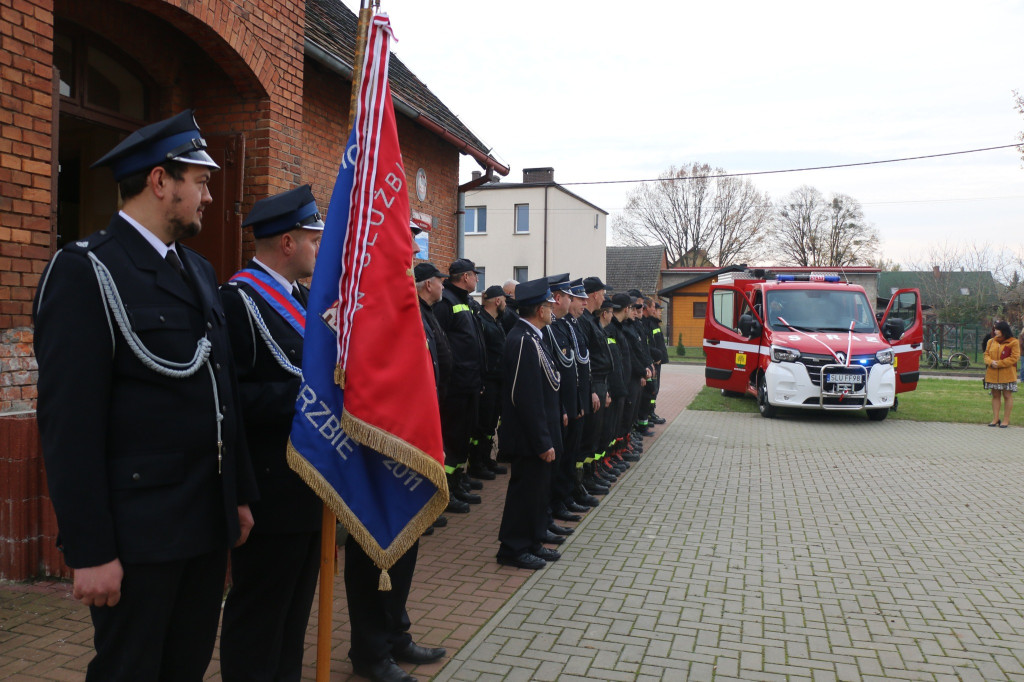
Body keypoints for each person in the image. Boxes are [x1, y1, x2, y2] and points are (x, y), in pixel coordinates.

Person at [32, 110, 258, 680]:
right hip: (139, 536)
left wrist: (238, 495)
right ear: (161, 181)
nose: (209, 196)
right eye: (201, 182)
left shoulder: (200, 271)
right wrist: (89, 550)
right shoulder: (87, 270)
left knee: (183, 668)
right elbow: (69, 425)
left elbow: (221, 393)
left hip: (203, 525)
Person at [219, 185, 325, 682]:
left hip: (308, 484)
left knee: (294, 614)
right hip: (267, 488)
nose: (318, 249)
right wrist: (304, 400)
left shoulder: (303, 299)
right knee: (259, 615)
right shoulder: (236, 302)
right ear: (287, 242)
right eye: (313, 238)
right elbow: (229, 400)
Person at [496, 278, 564, 570]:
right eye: (548, 305)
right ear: (539, 309)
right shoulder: (523, 340)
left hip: (538, 433)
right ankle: (513, 548)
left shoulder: (533, 336)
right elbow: (527, 398)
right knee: (524, 493)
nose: (551, 309)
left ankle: (532, 541)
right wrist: (542, 441)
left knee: (537, 493)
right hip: (528, 438)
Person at [432, 258, 487, 512]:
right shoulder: (446, 303)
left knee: (463, 436)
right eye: (475, 275)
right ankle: (446, 490)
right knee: (452, 439)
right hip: (455, 386)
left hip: (470, 383)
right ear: (465, 277)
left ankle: (457, 481)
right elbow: (440, 344)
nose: (477, 279)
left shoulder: (465, 302)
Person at [469, 285, 509, 480]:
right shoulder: (481, 321)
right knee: (482, 425)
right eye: (505, 300)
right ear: (497, 301)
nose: (507, 305)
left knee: (491, 424)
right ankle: (476, 463)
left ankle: (486, 459)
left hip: (498, 381)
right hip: (487, 381)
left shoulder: (496, 321)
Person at [984, 320, 1020, 428]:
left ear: (1003, 330)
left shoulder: (1013, 342)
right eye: (994, 329)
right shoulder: (991, 341)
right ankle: (995, 419)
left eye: (997, 329)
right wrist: (990, 362)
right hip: (992, 374)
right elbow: (986, 355)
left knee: (1007, 395)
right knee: (995, 396)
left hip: (1007, 375)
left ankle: (1006, 420)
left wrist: (999, 364)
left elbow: (1014, 358)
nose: (995, 331)